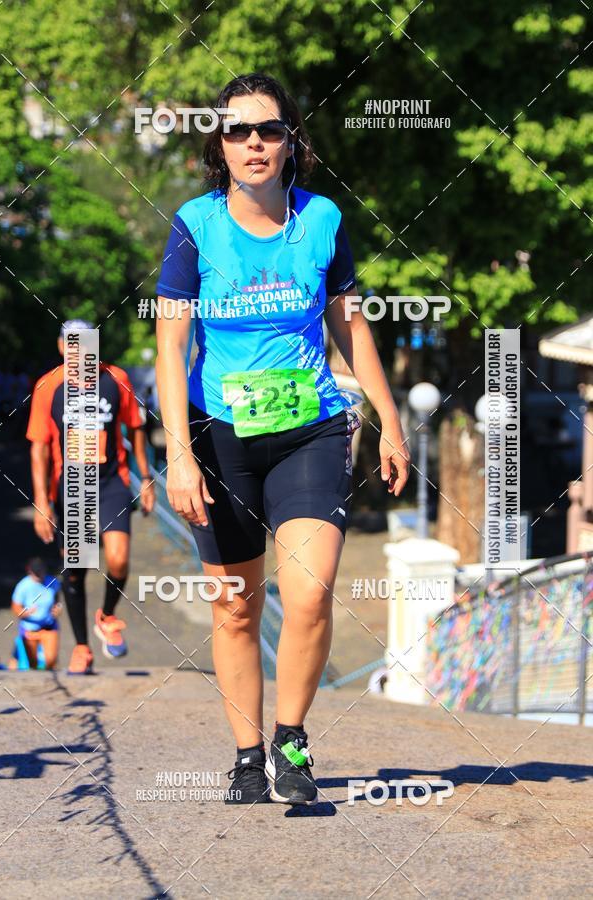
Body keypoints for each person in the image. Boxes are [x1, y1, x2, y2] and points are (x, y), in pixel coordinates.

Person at [155, 73, 409, 806]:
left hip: (311, 429)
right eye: (239, 131)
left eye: (268, 130)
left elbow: (351, 328)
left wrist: (391, 423)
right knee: (235, 605)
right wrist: (177, 452)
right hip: (220, 435)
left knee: (310, 593)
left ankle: (290, 741)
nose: (255, 143)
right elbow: (169, 348)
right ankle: (243, 757)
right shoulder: (194, 226)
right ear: (220, 146)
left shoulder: (322, 220)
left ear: (291, 140)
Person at [26, 320, 155, 674]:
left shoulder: (116, 379)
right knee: (75, 570)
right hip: (72, 488)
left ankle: (108, 615)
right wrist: (41, 502)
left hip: (112, 480)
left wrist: (146, 477)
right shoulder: (48, 387)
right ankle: (82, 647)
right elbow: (38, 448)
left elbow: (137, 427)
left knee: (118, 558)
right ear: (60, 347)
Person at [11, 558, 61, 670]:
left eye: (41, 573)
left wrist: (58, 608)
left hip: (49, 626)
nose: (39, 576)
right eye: (36, 574)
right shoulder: (23, 586)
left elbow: (57, 600)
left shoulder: (53, 582)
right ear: (29, 571)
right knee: (33, 663)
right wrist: (25, 613)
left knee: (51, 660)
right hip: (30, 628)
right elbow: (15, 608)